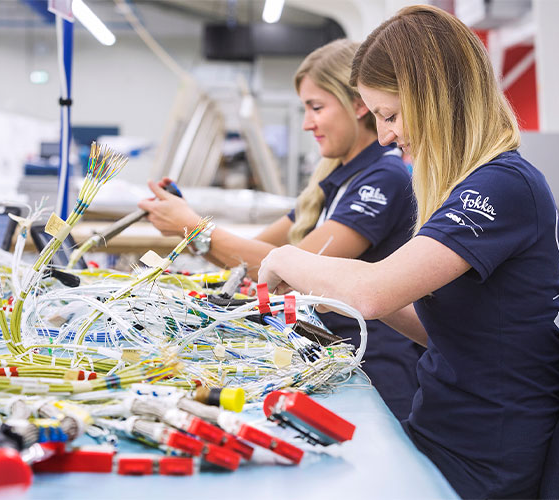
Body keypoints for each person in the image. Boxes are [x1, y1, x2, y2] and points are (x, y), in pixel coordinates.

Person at [257, 6, 559, 499]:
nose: (385, 136)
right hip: (447, 432)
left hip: (485, 457)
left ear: (435, 98)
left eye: (390, 115)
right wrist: (330, 289)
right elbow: (448, 329)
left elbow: (375, 295)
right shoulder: (473, 184)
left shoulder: (503, 186)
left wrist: (283, 260)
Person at [139, 39, 423, 420]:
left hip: (374, 369)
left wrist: (193, 228)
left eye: (316, 107)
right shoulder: (335, 180)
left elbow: (296, 265)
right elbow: (253, 255)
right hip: (332, 354)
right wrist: (189, 225)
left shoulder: (382, 178)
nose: (307, 123)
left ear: (359, 105)